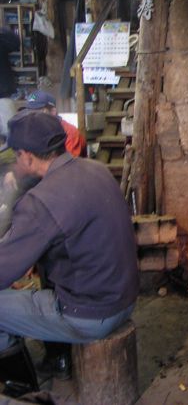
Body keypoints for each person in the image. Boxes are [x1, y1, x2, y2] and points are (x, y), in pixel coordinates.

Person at [0, 110, 139, 396]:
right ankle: (56, 362)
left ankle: (24, 394)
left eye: (16, 155)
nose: (15, 162)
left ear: (27, 156)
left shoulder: (42, 201)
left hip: (92, 314)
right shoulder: (95, 169)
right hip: (125, 298)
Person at [24, 90, 87, 157]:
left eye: (38, 112)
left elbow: (68, 165)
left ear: (53, 112)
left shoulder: (69, 132)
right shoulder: (30, 131)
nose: (32, 117)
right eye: (29, 112)